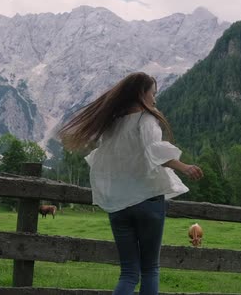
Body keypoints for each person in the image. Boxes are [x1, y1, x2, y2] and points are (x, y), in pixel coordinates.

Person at [59, 72, 203, 294]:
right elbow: (154, 150)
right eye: (153, 94)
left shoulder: (111, 124)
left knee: (128, 273)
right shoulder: (145, 120)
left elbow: (102, 162)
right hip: (147, 201)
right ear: (140, 94)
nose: (155, 100)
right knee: (150, 270)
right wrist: (184, 167)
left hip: (118, 206)